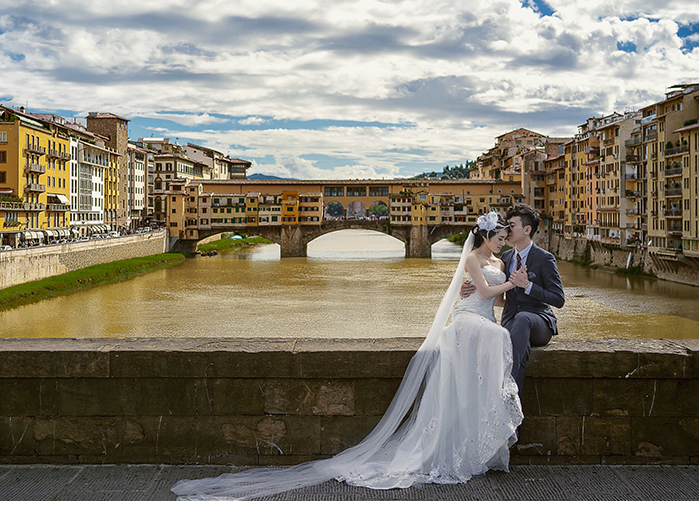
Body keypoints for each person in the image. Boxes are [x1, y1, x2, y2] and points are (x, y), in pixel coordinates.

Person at [171, 212, 524, 500]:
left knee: (492, 347)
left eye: (505, 237)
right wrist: (511, 284)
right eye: (499, 237)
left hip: (481, 319)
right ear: (484, 236)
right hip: (468, 323)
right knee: (498, 339)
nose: (503, 241)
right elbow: (485, 290)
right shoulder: (473, 258)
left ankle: (480, 444)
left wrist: (508, 288)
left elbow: (494, 297)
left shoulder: (498, 260)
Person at [461, 204, 565, 394]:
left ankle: (510, 392)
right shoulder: (505, 258)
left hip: (538, 321)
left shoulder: (545, 258)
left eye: (512, 225)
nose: (507, 231)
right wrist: (469, 289)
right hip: (510, 322)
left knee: (523, 318)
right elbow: (495, 294)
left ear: (527, 230)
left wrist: (528, 285)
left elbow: (558, 299)